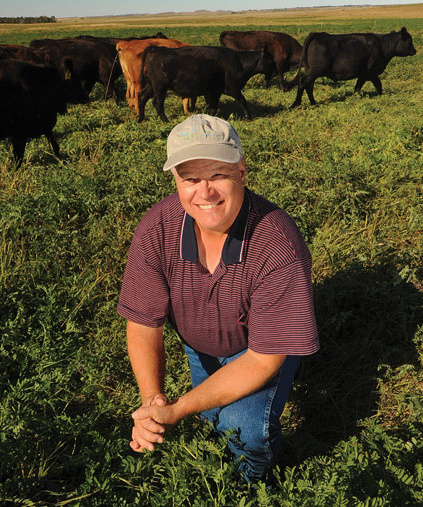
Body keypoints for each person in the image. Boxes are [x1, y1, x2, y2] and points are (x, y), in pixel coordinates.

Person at [117, 114, 318, 483]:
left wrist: (177, 410)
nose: (204, 192)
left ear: (242, 171)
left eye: (218, 174)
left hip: (258, 348)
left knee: (242, 426)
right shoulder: (157, 228)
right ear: (175, 180)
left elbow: (260, 361)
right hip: (201, 343)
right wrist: (152, 401)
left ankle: (253, 484)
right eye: (191, 178)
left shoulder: (278, 246)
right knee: (212, 417)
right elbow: (143, 324)